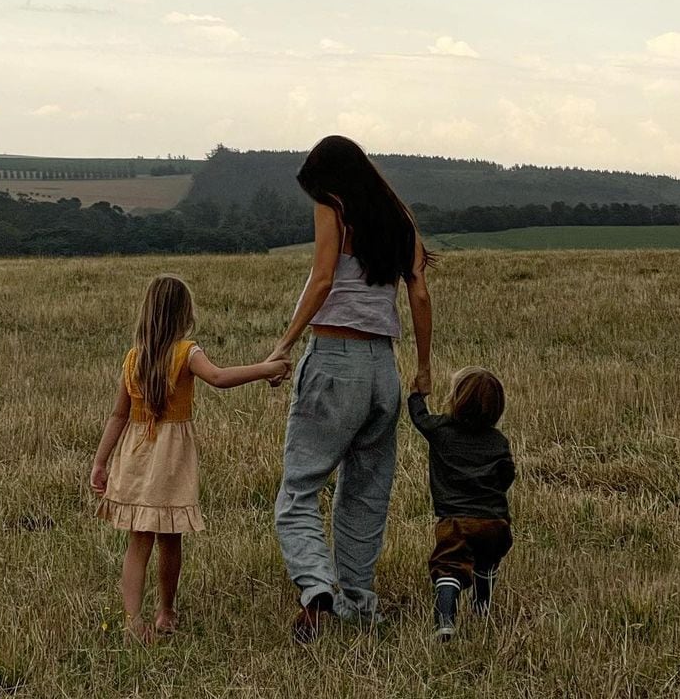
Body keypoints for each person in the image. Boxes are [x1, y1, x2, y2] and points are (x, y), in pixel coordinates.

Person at [267, 135, 433, 642]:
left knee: (298, 491)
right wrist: (423, 368)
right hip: (385, 367)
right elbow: (420, 293)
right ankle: (359, 601)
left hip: (335, 359)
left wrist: (284, 344)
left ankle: (317, 587)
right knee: (365, 491)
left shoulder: (331, 206)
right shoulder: (399, 217)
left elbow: (321, 280)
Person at [90, 274, 290, 644]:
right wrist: (267, 368)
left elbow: (118, 416)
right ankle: (166, 611)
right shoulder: (186, 352)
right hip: (169, 458)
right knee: (170, 536)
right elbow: (219, 377)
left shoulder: (133, 358)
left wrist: (100, 462)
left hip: (135, 456)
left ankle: (132, 621)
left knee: (139, 540)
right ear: (184, 313)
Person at [408, 367, 515, 641]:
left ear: (456, 400)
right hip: (495, 522)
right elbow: (507, 474)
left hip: (456, 521)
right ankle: (482, 608)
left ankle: (445, 621)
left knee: (449, 568)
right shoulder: (498, 441)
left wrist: (416, 394)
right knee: (486, 563)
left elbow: (419, 418)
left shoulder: (441, 429)